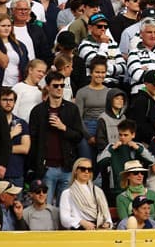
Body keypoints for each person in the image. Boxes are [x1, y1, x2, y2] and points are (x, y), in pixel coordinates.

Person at [27, 71, 85, 203]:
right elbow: (33, 140)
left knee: (64, 208)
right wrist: (36, 166)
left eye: (62, 85)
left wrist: (63, 127)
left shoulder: (71, 109)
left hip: (67, 167)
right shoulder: (38, 111)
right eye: (56, 85)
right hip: (46, 167)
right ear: (47, 87)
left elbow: (79, 136)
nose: (59, 88)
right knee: (44, 207)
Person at [59, 157, 113, 230]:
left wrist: (108, 223)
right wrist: (81, 222)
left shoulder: (98, 191)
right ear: (75, 171)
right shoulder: (67, 193)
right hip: (78, 231)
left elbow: (107, 215)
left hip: (98, 230)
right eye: (83, 169)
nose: (86, 172)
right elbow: (64, 219)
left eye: (89, 169)